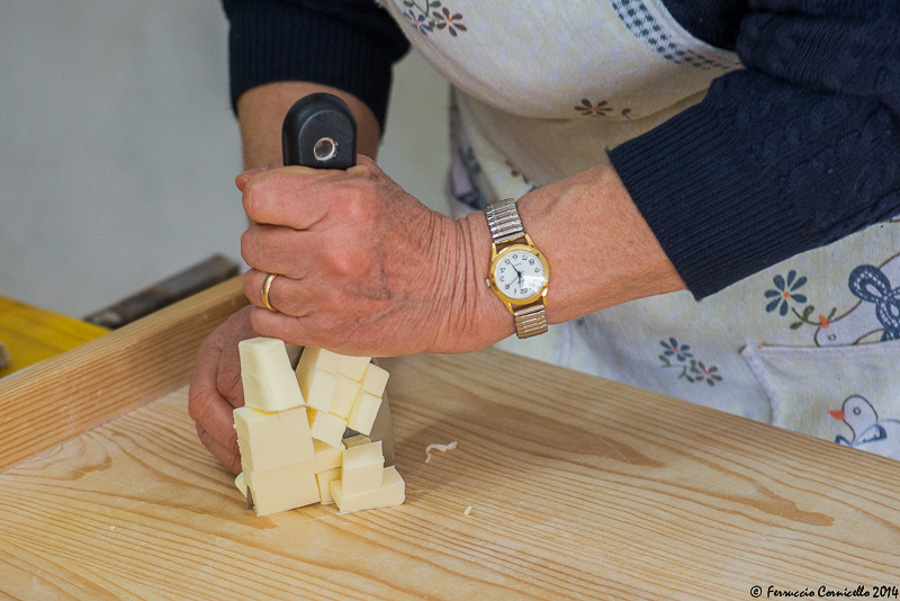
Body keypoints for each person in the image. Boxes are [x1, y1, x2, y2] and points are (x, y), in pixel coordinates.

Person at [189, 0, 900, 474]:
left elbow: (862, 85)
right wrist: (302, 247)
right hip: (512, 329)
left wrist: (468, 273)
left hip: (832, 351)